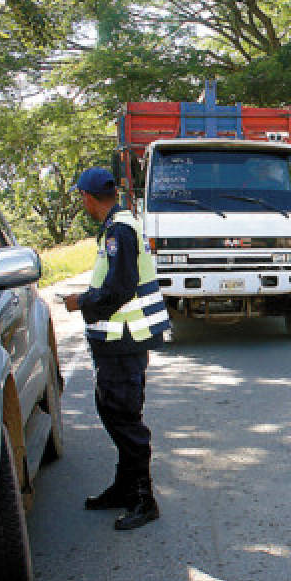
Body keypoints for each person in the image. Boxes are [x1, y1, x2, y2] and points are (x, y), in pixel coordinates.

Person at [62, 167, 171, 531]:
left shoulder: (120, 231)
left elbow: (119, 289)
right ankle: (125, 487)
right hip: (118, 340)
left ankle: (143, 498)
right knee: (113, 409)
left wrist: (81, 301)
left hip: (124, 339)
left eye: (81, 198)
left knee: (123, 417)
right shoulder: (119, 226)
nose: (82, 203)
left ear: (88, 197)